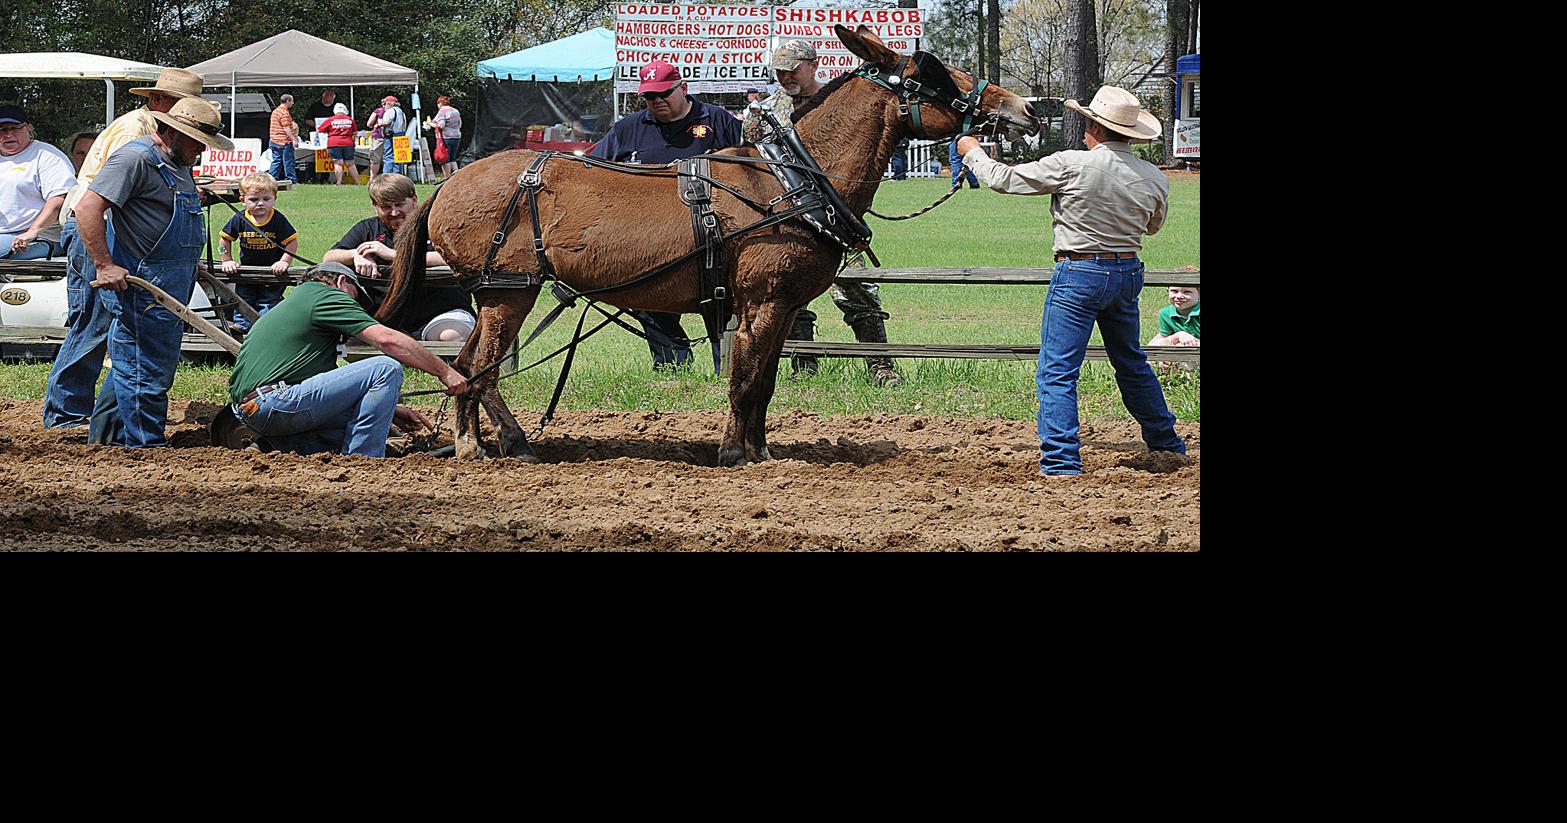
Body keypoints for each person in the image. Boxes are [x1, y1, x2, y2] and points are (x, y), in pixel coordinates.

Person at [956, 85, 1185, 477]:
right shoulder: (1154, 177)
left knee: (1058, 370)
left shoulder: (1072, 163)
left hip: (1079, 272)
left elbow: (1004, 180)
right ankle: (1165, 441)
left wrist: (971, 151)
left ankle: (1062, 461)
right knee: (1131, 363)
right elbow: (1153, 226)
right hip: (1127, 271)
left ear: (1095, 126)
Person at [42, 65, 199, 430]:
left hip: (116, 232)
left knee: (126, 331)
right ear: (159, 100)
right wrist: (104, 263)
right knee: (95, 325)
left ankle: (110, 423)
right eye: (180, 104)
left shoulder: (164, 137)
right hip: (94, 232)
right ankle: (65, 414)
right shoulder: (136, 133)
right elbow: (104, 197)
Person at [744, 40, 902, 387]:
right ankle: (805, 363)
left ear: (814, 65)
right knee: (789, 292)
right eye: (779, 70)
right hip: (785, 219)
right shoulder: (764, 112)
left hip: (838, 219)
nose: (785, 76)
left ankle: (880, 365)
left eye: (792, 69)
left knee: (858, 290)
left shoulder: (842, 103)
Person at [77, 97, 233, 448]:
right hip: (143, 286)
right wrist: (104, 264)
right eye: (197, 142)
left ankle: (104, 441)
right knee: (145, 371)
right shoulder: (135, 158)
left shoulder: (177, 162)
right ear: (173, 131)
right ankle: (145, 447)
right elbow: (87, 207)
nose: (201, 152)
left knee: (132, 364)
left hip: (173, 281)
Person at [227, 261, 469, 458]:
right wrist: (444, 372)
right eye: (355, 297)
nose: (354, 306)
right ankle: (364, 460)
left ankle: (276, 447)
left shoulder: (295, 304)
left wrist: (388, 408)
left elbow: (321, 387)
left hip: (252, 411)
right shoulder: (325, 296)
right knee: (385, 368)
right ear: (342, 282)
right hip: (278, 401)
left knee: (362, 426)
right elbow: (386, 339)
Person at [591, 59, 742, 371]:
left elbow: (751, 168)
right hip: (650, 237)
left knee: (720, 300)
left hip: (712, 234)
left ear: (683, 89)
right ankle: (672, 362)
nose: (656, 101)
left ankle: (724, 366)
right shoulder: (627, 129)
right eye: (649, 96)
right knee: (645, 294)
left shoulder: (718, 121)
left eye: (663, 93)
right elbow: (592, 172)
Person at [322, 173, 475, 342]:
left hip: (441, 312)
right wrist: (355, 255)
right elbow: (329, 257)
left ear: (414, 200)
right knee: (353, 342)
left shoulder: (435, 224)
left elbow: (458, 257)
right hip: (388, 317)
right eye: (386, 207)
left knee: (452, 336)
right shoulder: (367, 228)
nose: (394, 212)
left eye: (400, 204)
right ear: (375, 206)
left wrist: (395, 255)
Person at [218, 172, 299, 333]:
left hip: (272, 272)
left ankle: (264, 327)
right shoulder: (239, 219)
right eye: (254, 200)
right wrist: (226, 260)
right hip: (247, 271)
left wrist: (284, 261)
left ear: (274, 199)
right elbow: (223, 241)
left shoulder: (277, 219)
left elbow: (292, 242)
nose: (260, 204)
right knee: (243, 298)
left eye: (266, 199)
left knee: (268, 300)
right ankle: (241, 325)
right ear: (242, 200)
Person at [1, 105, 77, 266]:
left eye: (14, 128)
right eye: (2, 129)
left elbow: (58, 201)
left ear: (28, 128)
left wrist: (32, 232)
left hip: (40, 237)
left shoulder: (47, 156)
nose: (8, 135)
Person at [303, 89, 338, 182]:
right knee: (313, 156)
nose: (329, 100)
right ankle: (311, 177)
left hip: (332, 135)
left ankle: (326, 177)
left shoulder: (337, 108)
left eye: (331, 98)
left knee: (328, 156)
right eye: (327, 98)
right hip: (316, 136)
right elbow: (307, 120)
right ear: (323, 97)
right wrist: (319, 125)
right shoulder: (315, 106)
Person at [323, 102, 360, 185]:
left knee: (338, 163)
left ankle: (339, 182)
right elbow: (355, 132)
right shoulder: (350, 119)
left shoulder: (330, 119)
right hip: (348, 143)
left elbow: (321, 129)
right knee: (350, 163)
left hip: (334, 143)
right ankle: (358, 182)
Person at [427, 95, 461, 179]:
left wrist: (430, 124)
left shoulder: (442, 111)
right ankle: (457, 176)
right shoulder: (455, 111)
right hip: (457, 136)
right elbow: (460, 124)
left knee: (445, 158)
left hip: (446, 137)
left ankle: (447, 177)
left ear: (440, 103)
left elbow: (441, 125)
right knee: (453, 158)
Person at [268, 93, 298, 183]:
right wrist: (293, 139)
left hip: (274, 139)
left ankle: (271, 179)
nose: (292, 103)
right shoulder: (284, 112)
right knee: (288, 161)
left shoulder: (275, 111)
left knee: (276, 161)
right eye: (292, 101)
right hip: (284, 141)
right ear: (287, 101)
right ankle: (291, 179)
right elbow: (286, 128)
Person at [374, 95, 407, 176]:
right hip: (402, 135)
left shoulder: (390, 111)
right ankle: (398, 176)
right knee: (399, 157)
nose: (384, 106)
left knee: (389, 156)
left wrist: (378, 125)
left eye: (385, 103)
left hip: (391, 135)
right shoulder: (401, 112)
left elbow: (387, 122)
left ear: (389, 103)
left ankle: (386, 176)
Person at [366, 102, 386, 180]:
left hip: (379, 137)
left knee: (375, 159)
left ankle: (372, 179)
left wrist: (374, 126)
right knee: (389, 158)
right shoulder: (397, 111)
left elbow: (369, 123)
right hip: (393, 137)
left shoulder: (379, 111)